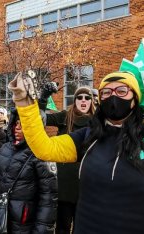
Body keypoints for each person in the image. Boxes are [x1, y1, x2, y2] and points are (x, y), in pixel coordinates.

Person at [8, 71, 144, 233]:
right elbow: (44, 148)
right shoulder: (89, 135)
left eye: (122, 91)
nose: (113, 97)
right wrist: (25, 103)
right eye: (106, 92)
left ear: (135, 98)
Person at [40, 87, 94, 234]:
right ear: (75, 100)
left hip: (87, 183)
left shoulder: (98, 121)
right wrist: (43, 99)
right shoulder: (65, 116)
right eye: (80, 97)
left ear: (92, 101)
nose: (83, 100)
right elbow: (41, 119)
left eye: (87, 98)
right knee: (62, 227)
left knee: (82, 228)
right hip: (64, 184)